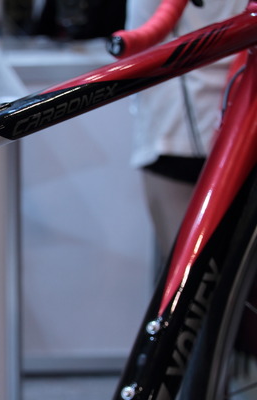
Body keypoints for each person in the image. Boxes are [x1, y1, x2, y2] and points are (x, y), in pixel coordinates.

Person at [126, 0, 246, 277]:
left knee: (185, 282)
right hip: (232, 128)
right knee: (227, 283)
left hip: (176, 131)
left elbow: (137, 51)